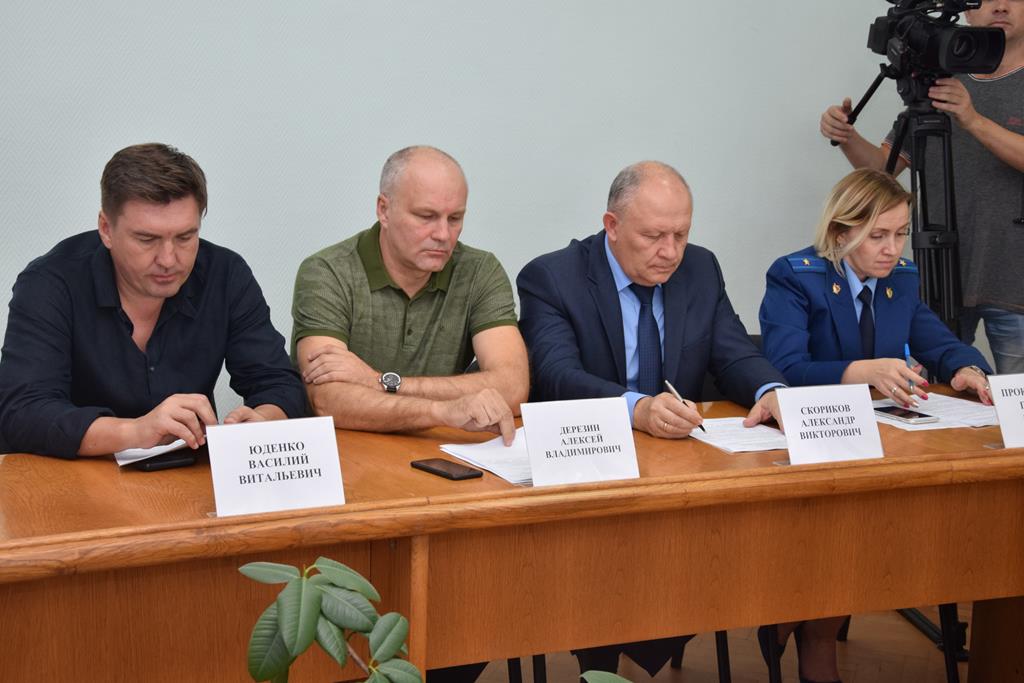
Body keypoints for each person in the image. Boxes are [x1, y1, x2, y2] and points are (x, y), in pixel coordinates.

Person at [516, 160, 787, 677]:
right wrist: (635, 408)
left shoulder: (700, 268)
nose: (671, 252)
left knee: (725, 545)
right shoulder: (553, 277)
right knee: (610, 562)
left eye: (681, 234)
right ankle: (602, 661)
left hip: (676, 475)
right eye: (654, 236)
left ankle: (642, 644)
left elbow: (733, 352)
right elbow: (554, 375)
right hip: (591, 474)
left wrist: (771, 391)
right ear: (612, 226)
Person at [757, 167, 992, 683]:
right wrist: (861, 372)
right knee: (843, 521)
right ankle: (805, 622)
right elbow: (785, 367)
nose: (892, 249)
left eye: (901, 233)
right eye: (877, 235)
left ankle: (806, 617)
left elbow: (936, 339)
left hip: (878, 440)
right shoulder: (796, 275)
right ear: (840, 231)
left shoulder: (900, 278)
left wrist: (967, 369)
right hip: (809, 439)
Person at [0, 143, 306, 458]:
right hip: (71, 477)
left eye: (185, 237)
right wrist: (135, 432)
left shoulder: (225, 274)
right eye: (147, 239)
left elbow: (279, 384)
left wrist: (263, 420)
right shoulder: (50, 283)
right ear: (106, 229)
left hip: (185, 478)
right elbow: (22, 413)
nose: (168, 259)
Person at [819, 0, 1024, 374]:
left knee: (1019, 401)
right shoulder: (941, 82)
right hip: (942, 275)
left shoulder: (967, 95)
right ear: (967, 11)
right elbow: (882, 168)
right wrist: (847, 137)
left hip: (1015, 278)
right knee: (939, 390)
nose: (1000, 6)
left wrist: (972, 119)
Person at [291, 146, 528, 449]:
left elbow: (512, 386)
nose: (443, 234)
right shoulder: (327, 272)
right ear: (384, 210)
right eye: (426, 216)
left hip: (442, 451)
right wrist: (442, 411)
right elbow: (329, 400)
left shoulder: (480, 271)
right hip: (347, 455)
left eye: (455, 218)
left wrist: (380, 381)